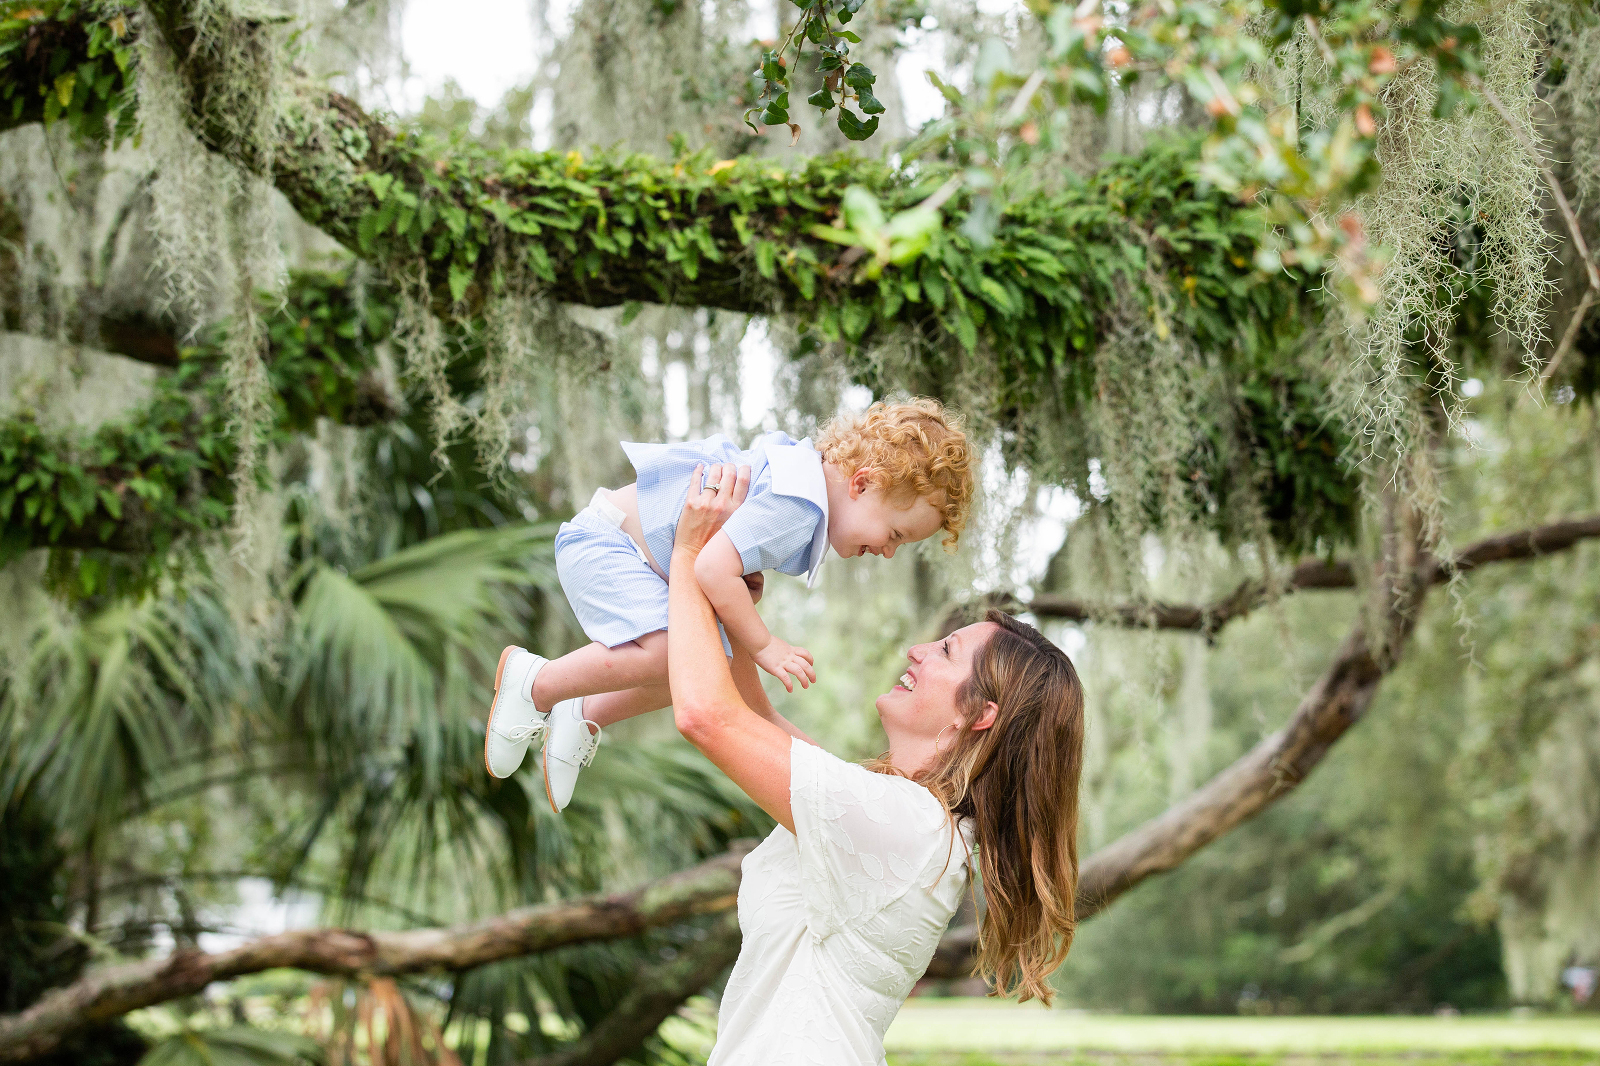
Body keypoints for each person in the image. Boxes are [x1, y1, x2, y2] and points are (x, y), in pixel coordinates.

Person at [669, 461, 1085, 1066]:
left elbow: (705, 717)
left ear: (981, 715)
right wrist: (727, 599)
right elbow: (752, 720)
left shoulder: (907, 827)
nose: (918, 649)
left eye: (945, 650)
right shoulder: (897, 814)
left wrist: (685, 555)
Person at [485, 399, 976, 813]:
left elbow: (721, 563)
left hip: (637, 557)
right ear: (862, 483)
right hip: (609, 545)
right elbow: (711, 568)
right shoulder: (800, 506)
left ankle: (584, 712)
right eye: (894, 534)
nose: (888, 551)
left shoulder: (804, 486)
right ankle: (534, 682)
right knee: (674, 655)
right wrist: (764, 645)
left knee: (704, 664)